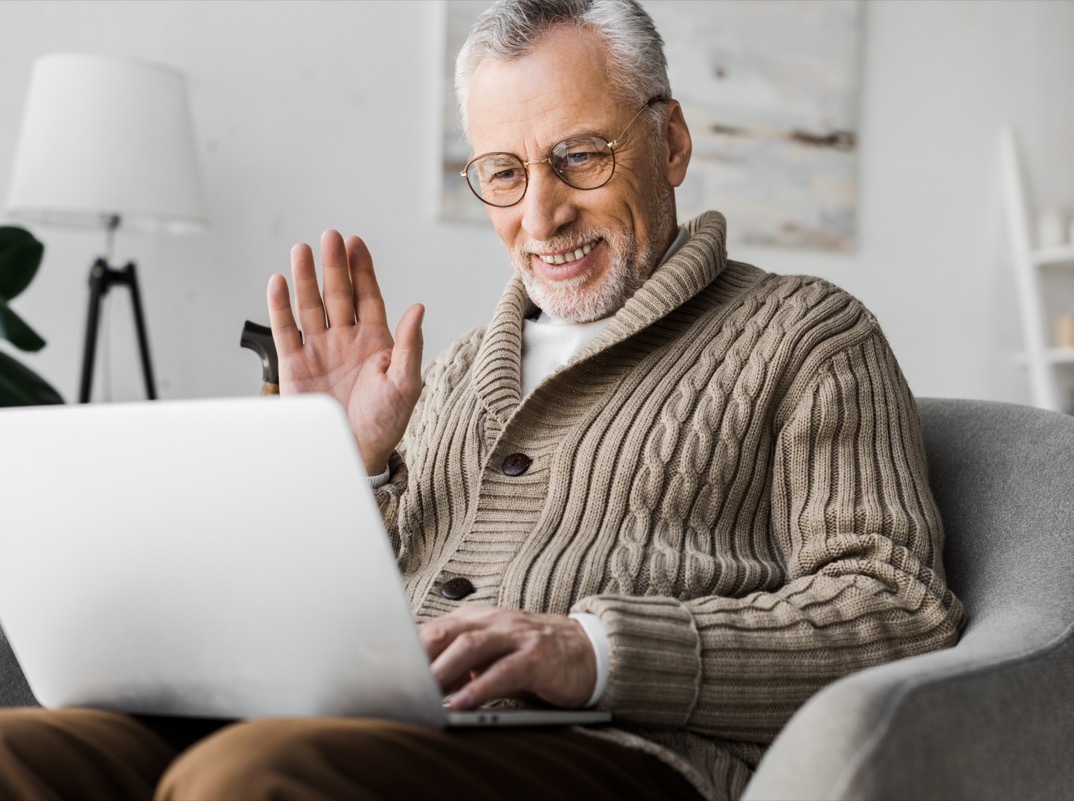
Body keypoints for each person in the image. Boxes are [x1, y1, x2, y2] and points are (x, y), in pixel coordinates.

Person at [0, 1, 964, 799]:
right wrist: (348, 466)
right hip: (381, 732)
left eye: (579, 157)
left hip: (620, 756)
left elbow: (896, 609)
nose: (539, 215)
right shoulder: (455, 370)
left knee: (248, 780)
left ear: (669, 142)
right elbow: (353, 624)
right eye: (504, 173)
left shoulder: (807, 334)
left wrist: (594, 648)